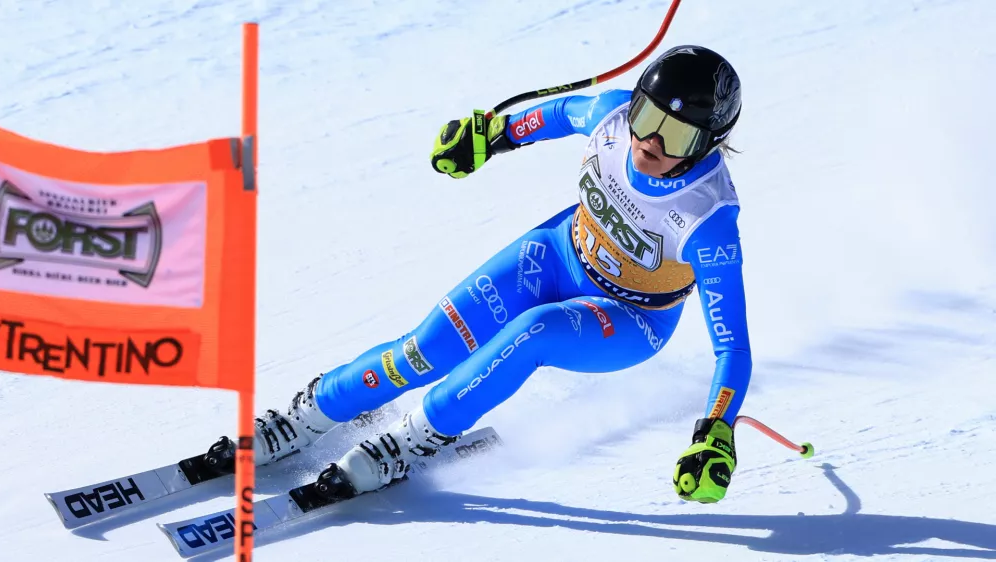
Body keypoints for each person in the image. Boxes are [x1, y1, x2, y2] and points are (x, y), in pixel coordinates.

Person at [221, 45, 750, 505]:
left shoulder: (709, 220)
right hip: (557, 254)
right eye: (647, 117)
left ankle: (415, 439)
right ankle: (311, 414)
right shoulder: (611, 118)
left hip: (631, 317)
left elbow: (732, 349)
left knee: (531, 333)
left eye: (676, 134)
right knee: (425, 348)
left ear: (708, 142)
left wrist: (716, 431)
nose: (650, 141)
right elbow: (552, 118)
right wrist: (489, 139)